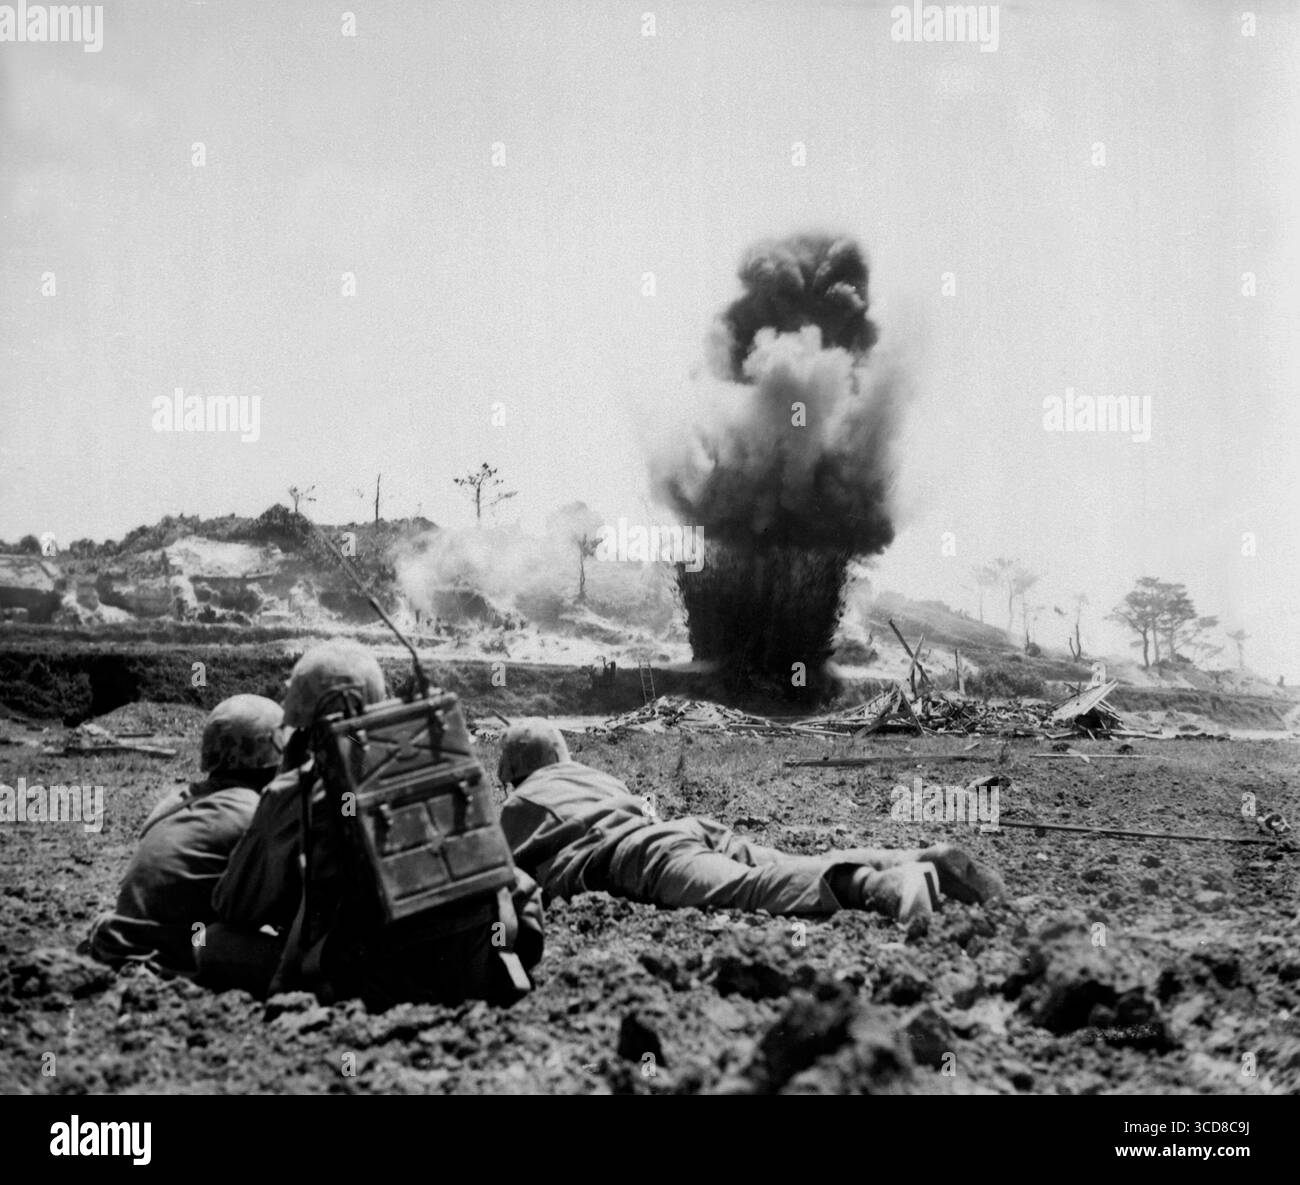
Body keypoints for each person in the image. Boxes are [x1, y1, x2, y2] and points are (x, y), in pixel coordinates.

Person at [214, 638, 543, 1008]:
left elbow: (235, 905)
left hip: (380, 980)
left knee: (214, 942)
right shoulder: (435, 759)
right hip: (479, 960)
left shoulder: (300, 789)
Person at [497, 718, 1004, 925]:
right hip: (684, 831)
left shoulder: (516, 807)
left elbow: (498, 880)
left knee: (746, 890)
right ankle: (914, 858)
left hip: (637, 857)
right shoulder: (598, 777)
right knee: (784, 862)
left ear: (514, 771)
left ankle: (877, 886)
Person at [86, 695, 286, 981]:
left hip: (119, 945)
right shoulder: (252, 813)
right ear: (274, 753)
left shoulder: (173, 801)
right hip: (173, 959)